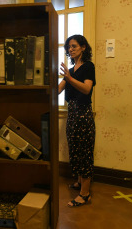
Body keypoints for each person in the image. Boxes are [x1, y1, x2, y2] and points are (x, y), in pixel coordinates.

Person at [58, 34, 96, 207]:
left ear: (83, 48)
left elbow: (87, 89)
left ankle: (85, 194)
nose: (70, 50)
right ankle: (80, 183)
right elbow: (58, 91)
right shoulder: (71, 71)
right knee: (75, 149)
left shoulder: (88, 66)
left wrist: (69, 79)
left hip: (83, 114)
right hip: (72, 114)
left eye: (73, 46)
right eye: (68, 47)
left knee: (84, 153)